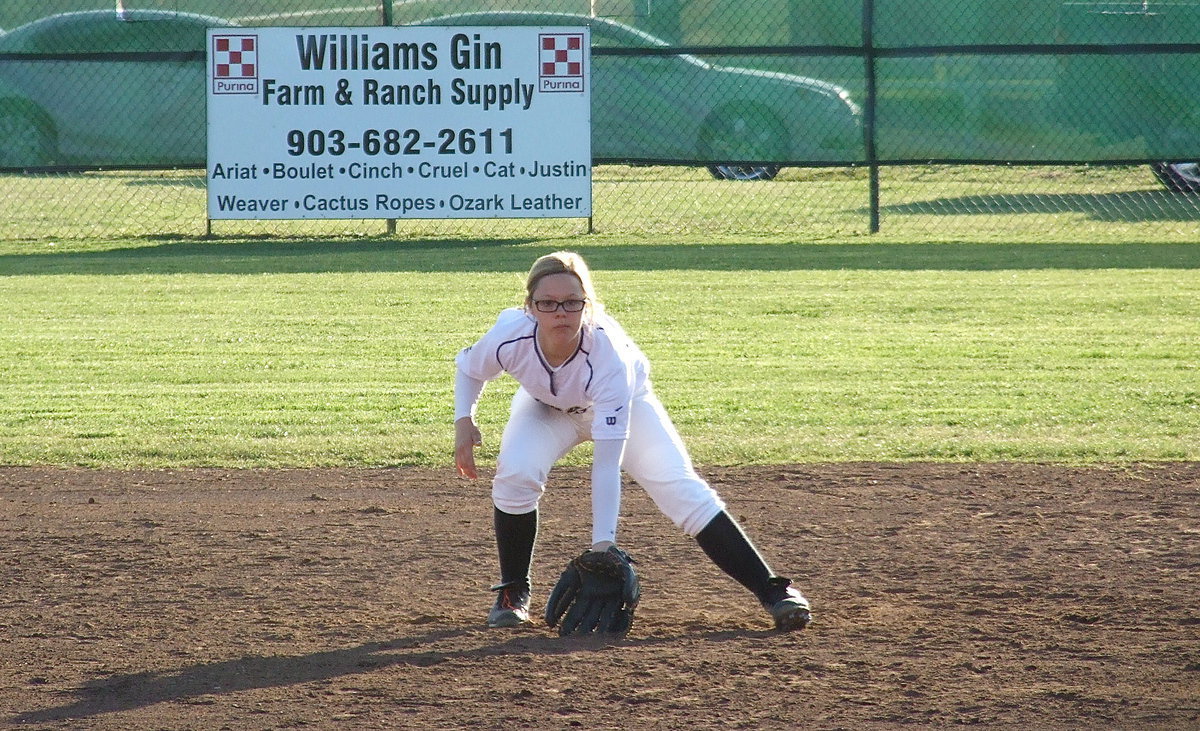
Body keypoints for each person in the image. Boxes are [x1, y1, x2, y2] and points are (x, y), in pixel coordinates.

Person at [453, 251, 810, 632]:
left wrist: (603, 546)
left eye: (573, 303)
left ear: (587, 307)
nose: (561, 312)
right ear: (530, 307)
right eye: (548, 303)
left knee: (680, 489)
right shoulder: (510, 336)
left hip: (626, 405)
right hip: (545, 409)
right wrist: (464, 420)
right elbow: (469, 367)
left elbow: (606, 464)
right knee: (516, 473)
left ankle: (774, 591)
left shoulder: (609, 358)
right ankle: (513, 591)